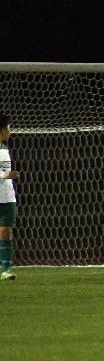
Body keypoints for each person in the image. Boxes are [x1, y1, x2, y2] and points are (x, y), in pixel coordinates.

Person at [0, 114, 20, 281]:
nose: (10, 131)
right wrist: (4, 175)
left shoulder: (5, 148)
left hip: (7, 197)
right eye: (9, 128)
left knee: (6, 231)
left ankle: (6, 269)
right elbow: (3, 173)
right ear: (2, 130)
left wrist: (8, 175)